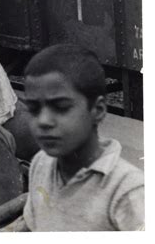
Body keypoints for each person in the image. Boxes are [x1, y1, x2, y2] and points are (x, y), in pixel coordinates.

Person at [21, 44, 144, 231]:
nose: (44, 121)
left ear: (98, 110)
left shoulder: (128, 191)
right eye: (34, 109)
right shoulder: (41, 164)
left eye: (61, 107)